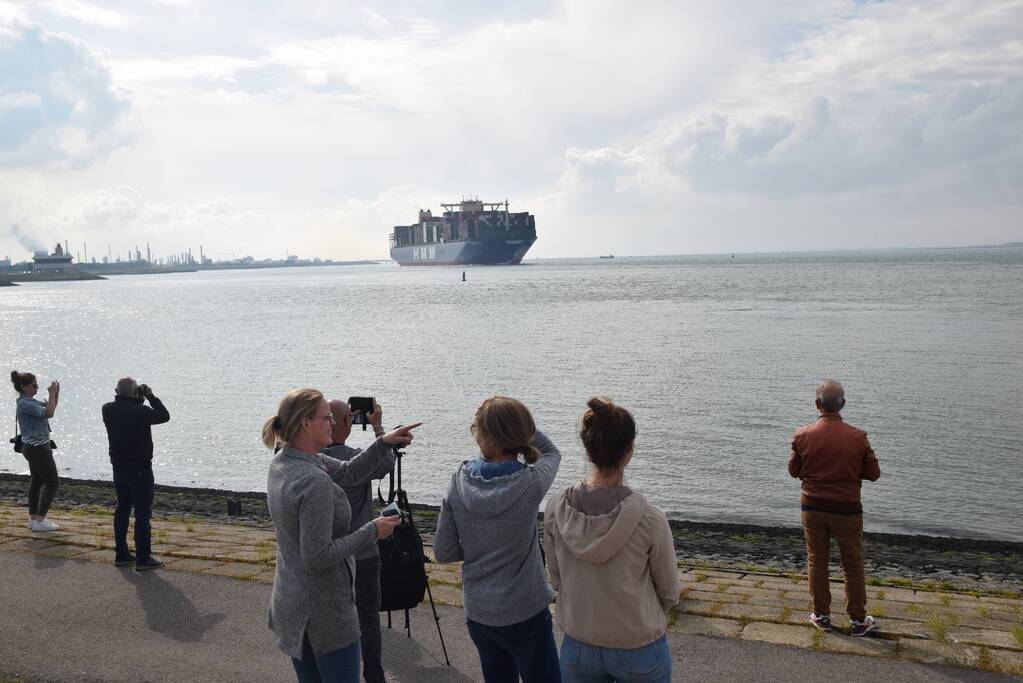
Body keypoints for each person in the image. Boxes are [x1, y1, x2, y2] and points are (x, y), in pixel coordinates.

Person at [262, 388, 420, 683]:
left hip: (292, 603)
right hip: (324, 615)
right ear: (306, 423)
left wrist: (383, 440)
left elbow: (349, 472)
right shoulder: (313, 482)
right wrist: (372, 530)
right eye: (327, 418)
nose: (333, 423)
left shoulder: (285, 460)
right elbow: (317, 556)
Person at [544, 397, 680, 683]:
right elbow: (668, 590)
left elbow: (556, 579)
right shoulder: (650, 518)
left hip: (579, 644)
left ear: (588, 448)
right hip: (637, 644)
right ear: (629, 451)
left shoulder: (557, 508)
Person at [434, 396, 562, 683]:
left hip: (480, 611)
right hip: (524, 611)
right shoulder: (530, 483)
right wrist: (517, 423)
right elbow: (551, 453)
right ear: (518, 436)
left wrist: (479, 544)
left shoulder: (458, 479)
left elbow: (443, 551)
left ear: (481, 433)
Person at [788, 380, 881, 636]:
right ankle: (859, 620)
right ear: (843, 404)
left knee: (817, 561)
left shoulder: (802, 435)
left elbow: (793, 471)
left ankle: (822, 616)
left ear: (817, 405)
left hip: (812, 507)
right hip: (847, 509)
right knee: (853, 564)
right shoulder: (858, 437)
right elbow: (874, 474)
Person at [322, 398, 393, 683]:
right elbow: (386, 463)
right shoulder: (355, 458)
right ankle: (373, 674)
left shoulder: (314, 459)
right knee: (367, 615)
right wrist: (378, 428)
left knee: (334, 617)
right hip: (363, 551)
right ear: (346, 424)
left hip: (331, 552)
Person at [101, 377, 171, 570]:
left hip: (118, 467)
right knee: (142, 513)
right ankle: (143, 557)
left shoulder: (107, 409)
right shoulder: (141, 411)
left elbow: (126, 407)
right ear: (135, 393)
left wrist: (136, 397)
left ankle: (121, 553)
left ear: (116, 391)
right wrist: (149, 396)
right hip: (141, 469)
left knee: (122, 509)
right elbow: (164, 415)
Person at [11, 370, 61, 532]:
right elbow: (49, 413)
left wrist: (55, 394)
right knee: (52, 483)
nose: (37, 388)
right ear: (24, 387)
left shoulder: (27, 401)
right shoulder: (26, 404)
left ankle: (34, 519)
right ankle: (40, 520)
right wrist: (52, 394)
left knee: (37, 481)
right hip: (38, 448)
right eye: (34, 386)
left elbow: (49, 406)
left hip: (31, 447)